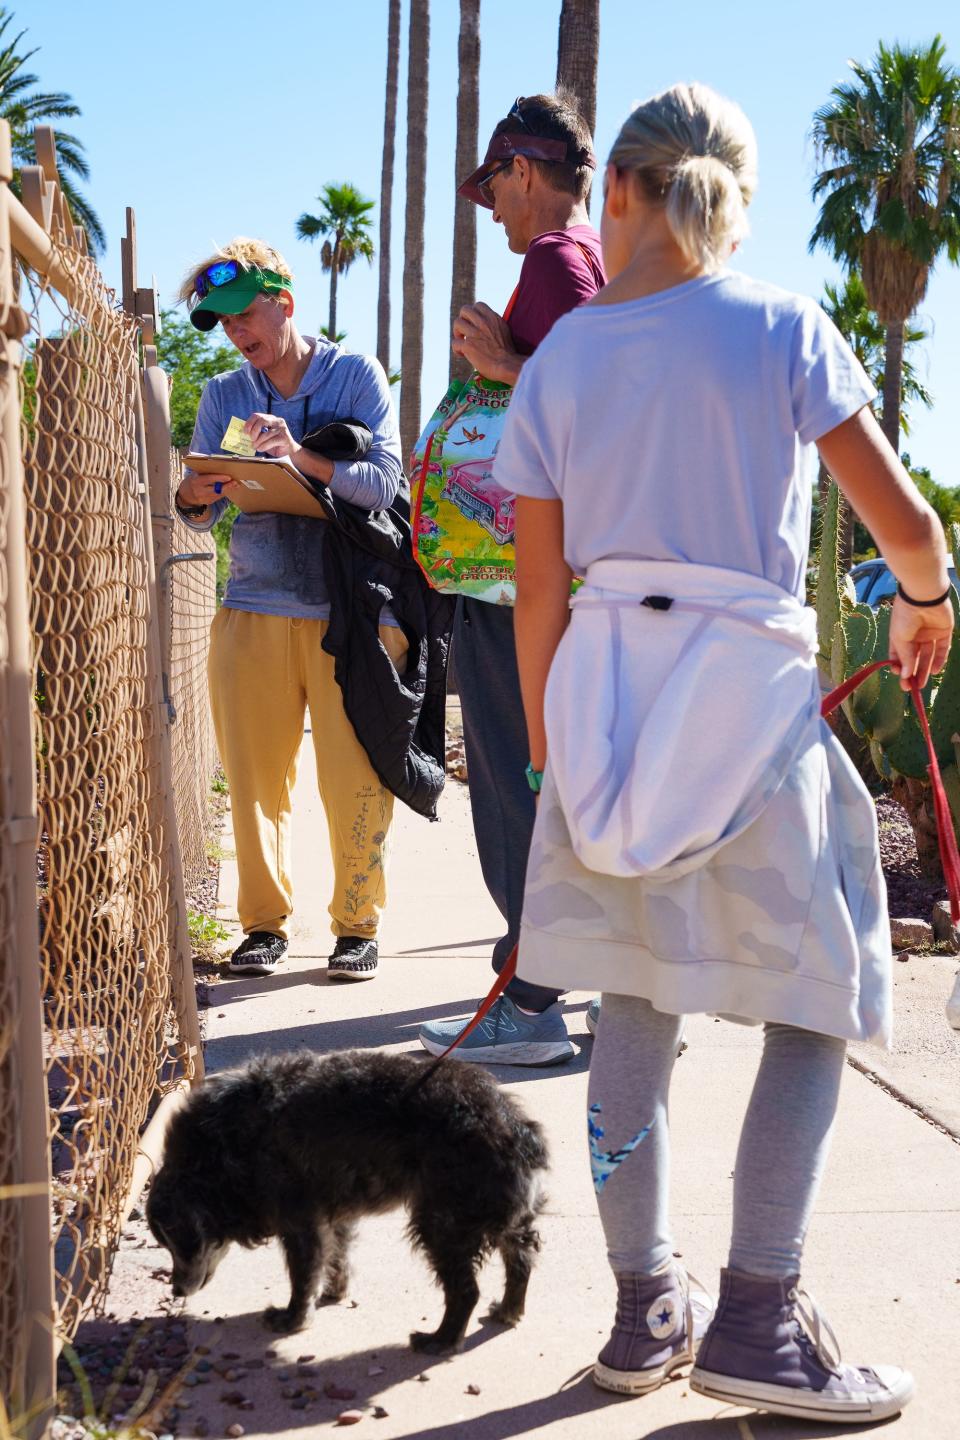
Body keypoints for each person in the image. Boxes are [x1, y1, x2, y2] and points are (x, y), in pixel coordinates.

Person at [499, 83, 951, 1421]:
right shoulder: (777, 325)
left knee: (633, 1002)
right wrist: (924, 606)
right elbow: (911, 526)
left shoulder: (563, 358)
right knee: (818, 998)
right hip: (746, 705)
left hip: (601, 706)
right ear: (729, 199)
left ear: (617, 193)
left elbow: (535, 593)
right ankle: (760, 1316)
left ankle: (647, 1314)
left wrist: (549, 759)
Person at [418, 90, 606, 1066]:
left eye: (492, 185)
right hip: (536, 572)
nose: (488, 206)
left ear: (522, 172)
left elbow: (599, 413)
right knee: (551, 775)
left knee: (513, 777)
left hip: (517, 579)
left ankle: (529, 990)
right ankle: (569, 973)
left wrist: (503, 360)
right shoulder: (589, 264)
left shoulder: (555, 260)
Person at [174, 239, 405, 980]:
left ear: (285, 303)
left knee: (356, 777)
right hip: (252, 605)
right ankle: (263, 928)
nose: (238, 333)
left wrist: (301, 457)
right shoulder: (223, 395)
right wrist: (193, 493)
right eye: (224, 321)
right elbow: (196, 514)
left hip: (353, 613)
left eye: (246, 313)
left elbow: (387, 486)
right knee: (254, 779)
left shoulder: (354, 374)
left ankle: (357, 927)